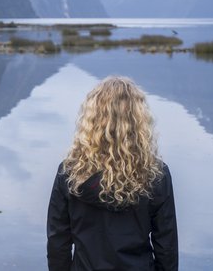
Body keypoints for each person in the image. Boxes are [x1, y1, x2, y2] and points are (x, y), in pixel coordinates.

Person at [47, 76, 178, 271]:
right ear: (138, 120)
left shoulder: (70, 172)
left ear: (91, 119)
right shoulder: (156, 175)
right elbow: (166, 247)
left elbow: (58, 242)